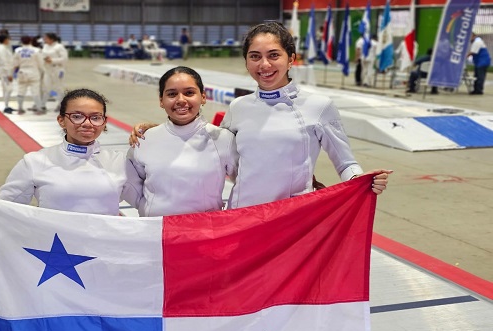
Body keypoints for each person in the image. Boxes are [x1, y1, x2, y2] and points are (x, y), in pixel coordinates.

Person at [131, 22, 391, 208]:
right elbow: (208, 143)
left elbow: (345, 164)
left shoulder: (319, 106)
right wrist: (163, 131)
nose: (264, 65)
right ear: (246, 62)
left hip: (289, 218)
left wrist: (362, 180)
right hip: (240, 218)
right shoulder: (239, 107)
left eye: (273, 55)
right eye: (255, 56)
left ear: (291, 59)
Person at [0, 88, 139, 215]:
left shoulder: (119, 162)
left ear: (104, 122)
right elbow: (3, 209)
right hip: (58, 256)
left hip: (106, 251)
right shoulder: (36, 162)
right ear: (61, 120)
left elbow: (151, 203)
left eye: (96, 117)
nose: (87, 124)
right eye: (77, 116)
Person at [126, 66, 238, 217]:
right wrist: (147, 209)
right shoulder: (145, 139)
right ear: (161, 101)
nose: (181, 100)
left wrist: (227, 218)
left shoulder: (223, 139)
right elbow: (132, 185)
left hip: (204, 233)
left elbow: (243, 184)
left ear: (203, 97)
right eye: (172, 94)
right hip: (156, 233)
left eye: (189, 93)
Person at [13, 35, 45, 115]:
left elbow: (15, 64)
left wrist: (12, 73)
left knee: (21, 91)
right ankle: (39, 109)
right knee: (35, 91)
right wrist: (43, 72)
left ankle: (20, 109)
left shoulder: (17, 50)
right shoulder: (36, 50)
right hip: (33, 72)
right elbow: (40, 64)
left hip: (22, 72)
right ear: (30, 41)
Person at [41, 32, 68, 112]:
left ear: (51, 39)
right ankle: (42, 105)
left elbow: (64, 59)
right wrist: (45, 59)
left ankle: (61, 105)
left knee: (59, 88)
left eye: (46, 38)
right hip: (47, 69)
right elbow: (43, 55)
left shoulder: (59, 47)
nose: (44, 40)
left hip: (57, 69)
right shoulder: (45, 46)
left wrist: (52, 60)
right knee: (46, 87)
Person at [0, 34, 15, 114]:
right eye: (8, 39)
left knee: (6, 89)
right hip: (5, 71)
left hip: (7, 70)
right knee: (9, 89)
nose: (9, 41)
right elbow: (4, 62)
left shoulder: (4, 48)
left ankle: (6, 105)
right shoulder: (1, 49)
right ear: (5, 40)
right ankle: (6, 106)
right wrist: (9, 74)